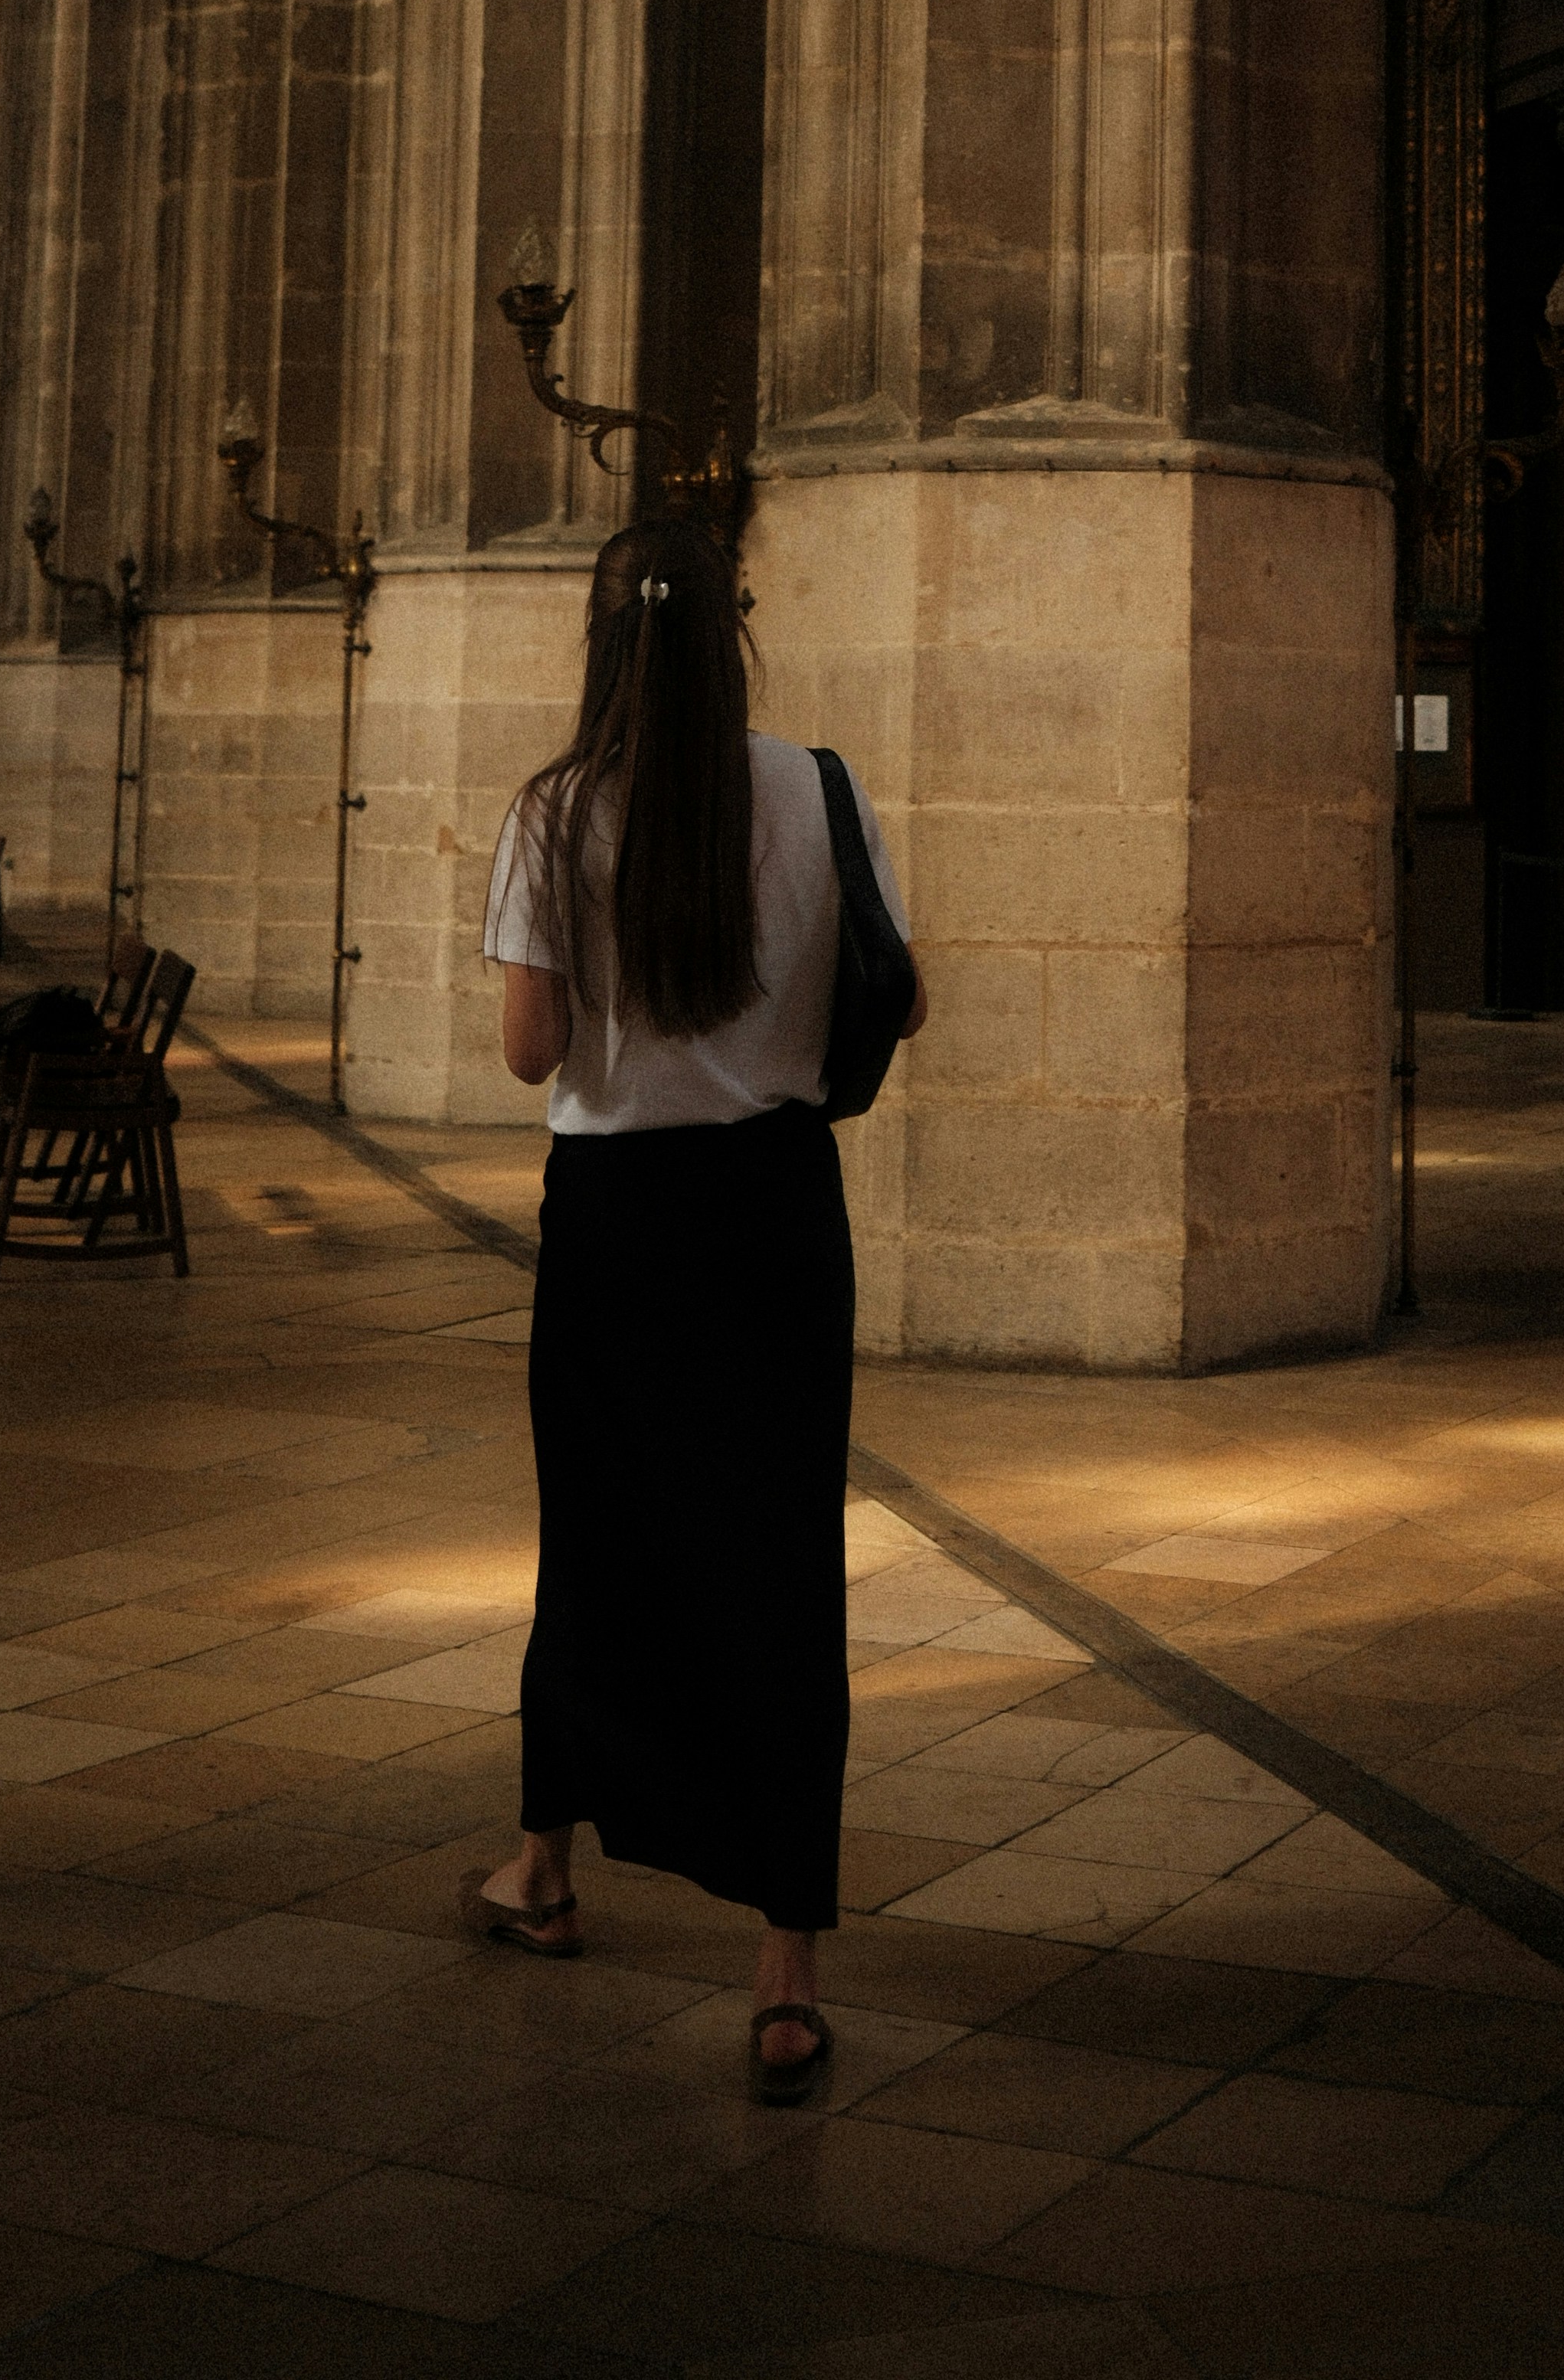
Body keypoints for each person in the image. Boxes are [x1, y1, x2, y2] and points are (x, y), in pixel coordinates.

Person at [467, 508, 923, 2104]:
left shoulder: (556, 809)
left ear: (604, 643)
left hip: (617, 1225)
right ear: (733, 628)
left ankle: (544, 1869)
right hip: (777, 1217)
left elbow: (531, 1053)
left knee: (596, 1546)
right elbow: (886, 986)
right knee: (780, 1574)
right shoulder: (818, 789)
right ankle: (785, 1979)